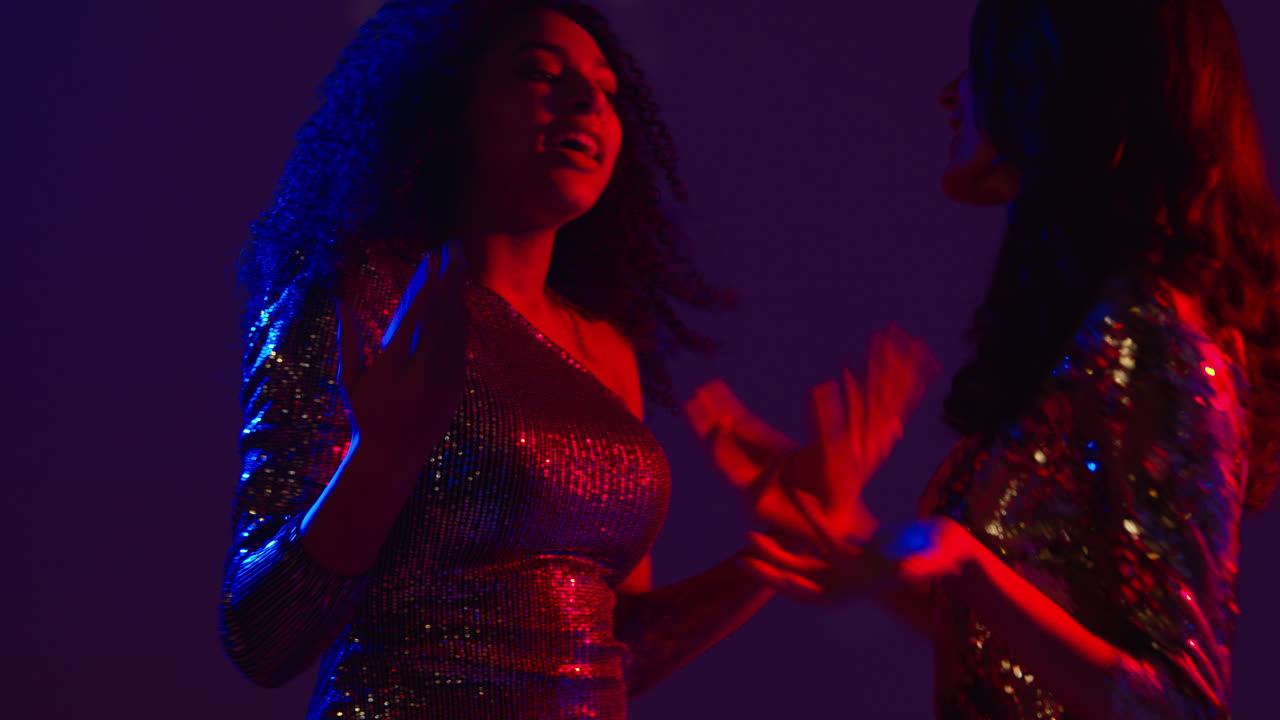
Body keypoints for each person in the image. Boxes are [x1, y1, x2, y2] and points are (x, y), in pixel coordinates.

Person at [704, 0, 1280, 717]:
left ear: (1063, 76)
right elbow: (1015, 650)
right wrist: (843, 524)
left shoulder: (1155, 339)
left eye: (987, 58)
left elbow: (1180, 706)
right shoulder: (1086, 331)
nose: (953, 92)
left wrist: (960, 557)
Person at [219, 2, 786, 717]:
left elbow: (609, 648)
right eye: (538, 72)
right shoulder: (351, 294)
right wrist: (382, 458)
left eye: (608, 91)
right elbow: (260, 637)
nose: (588, 100)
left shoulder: (604, 347)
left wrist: (775, 556)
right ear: (443, 102)